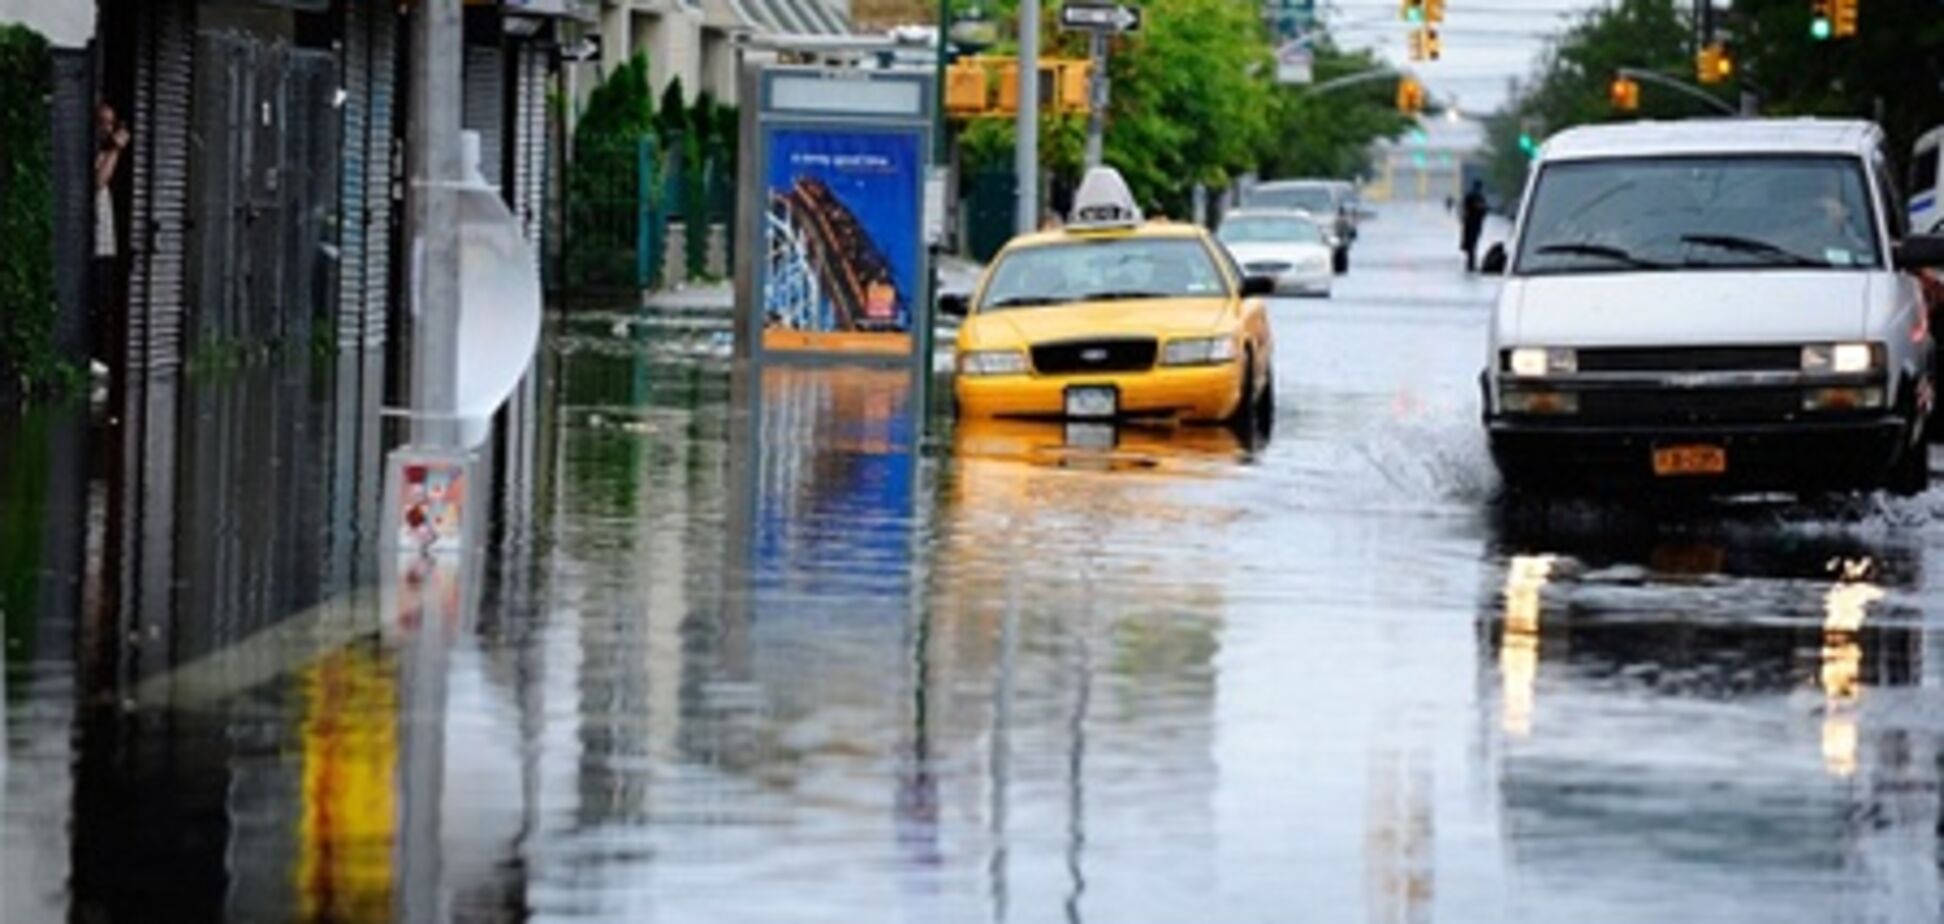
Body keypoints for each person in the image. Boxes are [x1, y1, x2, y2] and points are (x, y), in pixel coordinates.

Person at [94, 102, 130, 364]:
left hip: (106, 242)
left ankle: (100, 356)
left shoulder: (103, 151)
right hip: (93, 241)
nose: (107, 129)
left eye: (111, 123)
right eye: (102, 123)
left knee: (105, 302)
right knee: (94, 302)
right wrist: (116, 149)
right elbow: (98, 181)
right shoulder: (94, 152)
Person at [1460, 180, 1489, 273]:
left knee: (1470, 244)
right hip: (1475, 223)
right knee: (1473, 243)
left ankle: (1470, 263)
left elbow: (1464, 208)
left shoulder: (1469, 195)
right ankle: (1471, 264)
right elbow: (1482, 208)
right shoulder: (1478, 196)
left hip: (1468, 222)